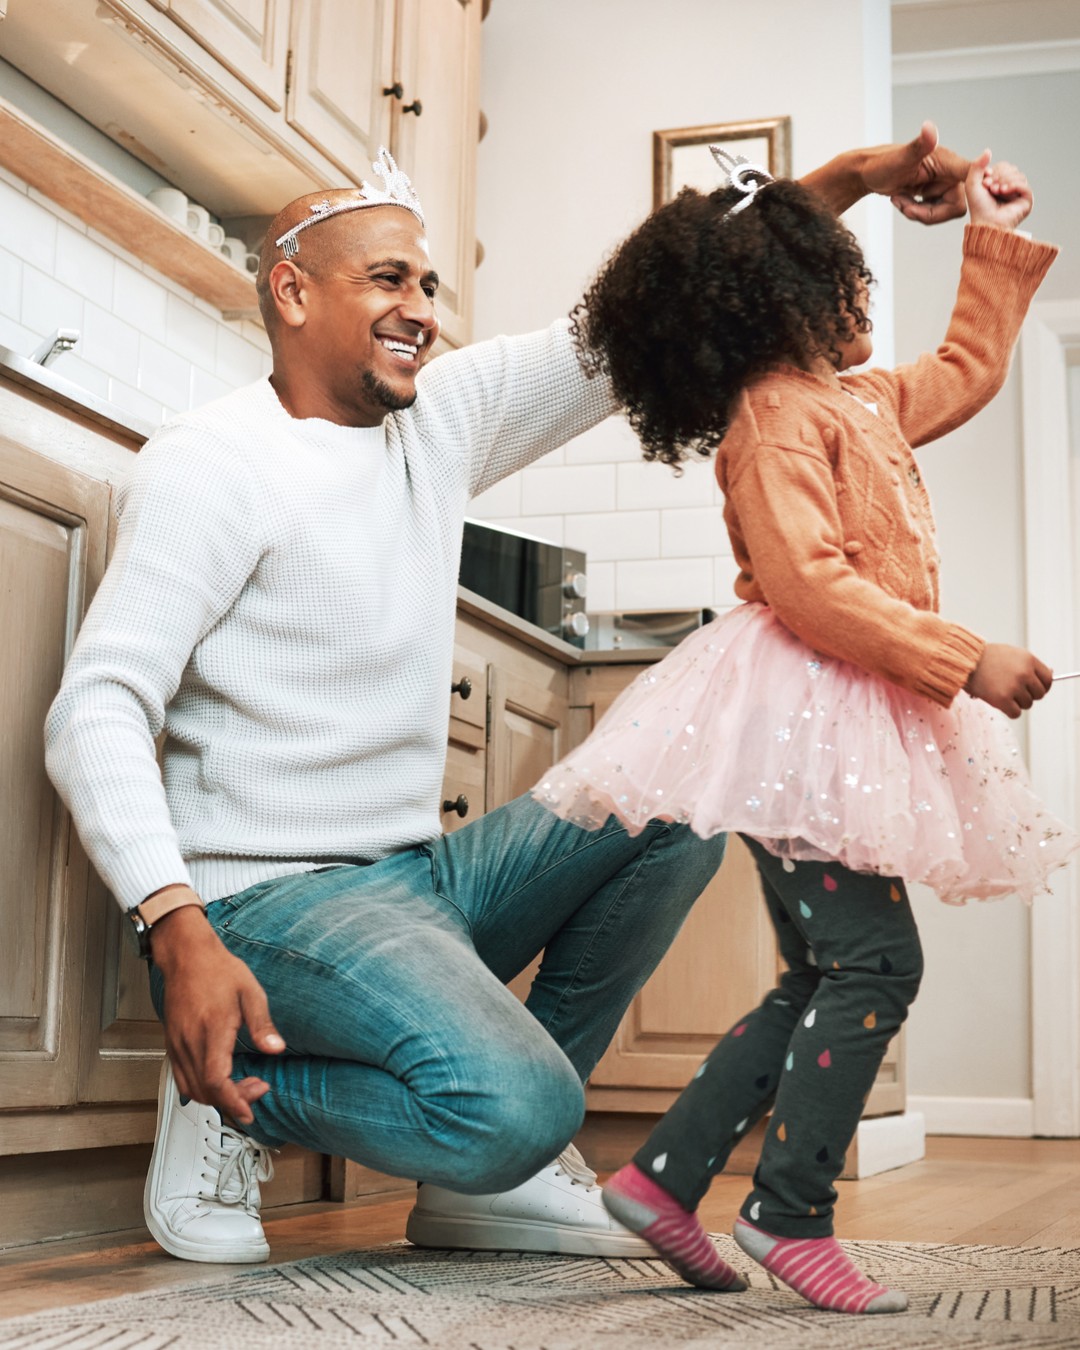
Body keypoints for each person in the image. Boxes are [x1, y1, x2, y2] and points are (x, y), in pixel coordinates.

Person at [46, 128, 975, 1267]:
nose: (422, 308)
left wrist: (854, 182)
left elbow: (646, 304)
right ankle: (243, 1099)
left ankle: (492, 1176)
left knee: (676, 792)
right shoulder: (212, 463)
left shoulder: (437, 422)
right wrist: (176, 924)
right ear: (290, 291)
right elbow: (96, 705)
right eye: (388, 278)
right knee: (521, 1105)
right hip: (265, 907)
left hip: (415, 882)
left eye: (427, 284)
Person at [532, 149, 1077, 1312]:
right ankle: (788, 1212)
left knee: (828, 969)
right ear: (779, 301)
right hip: (802, 713)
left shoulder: (861, 399)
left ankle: (665, 1181)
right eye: (848, 281)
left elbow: (972, 368)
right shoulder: (774, 416)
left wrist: (989, 236)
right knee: (877, 963)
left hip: (834, 714)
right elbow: (808, 584)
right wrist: (962, 657)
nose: (869, 299)